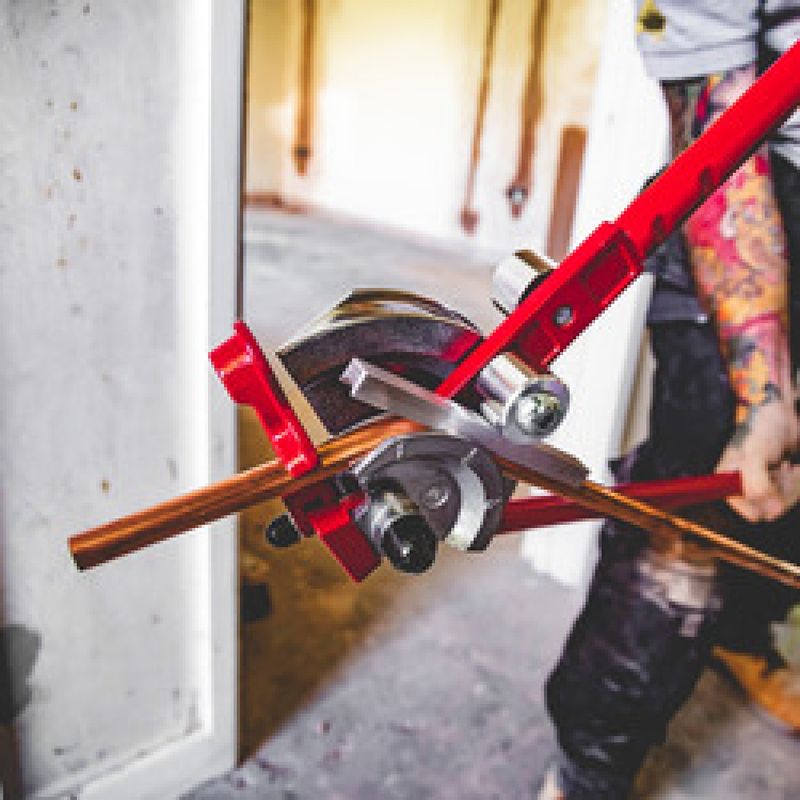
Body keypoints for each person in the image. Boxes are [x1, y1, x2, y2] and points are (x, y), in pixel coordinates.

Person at [538, 3, 800, 798]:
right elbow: (717, 114)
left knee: (783, 508)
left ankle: (743, 636)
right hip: (765, 201)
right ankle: (586, 773)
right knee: (684, 540)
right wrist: (764, 394)